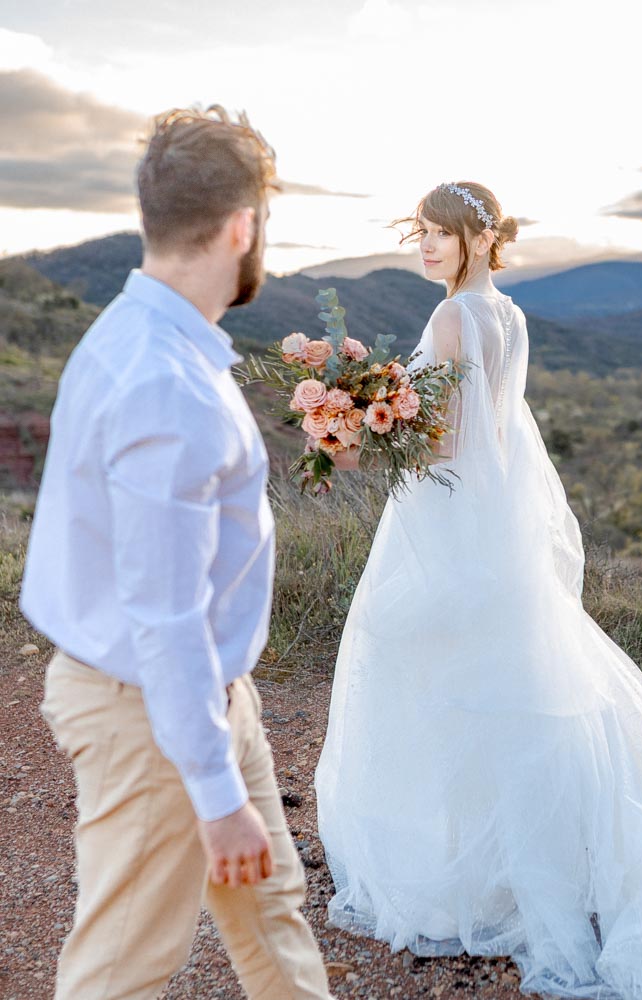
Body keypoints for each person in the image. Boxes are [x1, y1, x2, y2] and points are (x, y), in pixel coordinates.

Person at [315, 181, 642, 999]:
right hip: (492, 515)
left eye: (440, 233)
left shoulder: (453, 318)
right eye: (419, 232)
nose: (426, 246)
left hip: (450, 519)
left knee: (430, 669)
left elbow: (443, 441)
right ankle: (512, 862)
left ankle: (467, 874)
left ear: (478, 239)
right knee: (507, 681)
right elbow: (494, 428)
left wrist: (349, 444)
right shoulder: (506, 313)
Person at [21, 106, 332, 1000]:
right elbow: (162, 612)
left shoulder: (134, 332)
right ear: (242, 227)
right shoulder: (167, 383)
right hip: (152, 712)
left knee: (271, 916)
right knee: (120, 968)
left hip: (201, 694)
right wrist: (215, 793)